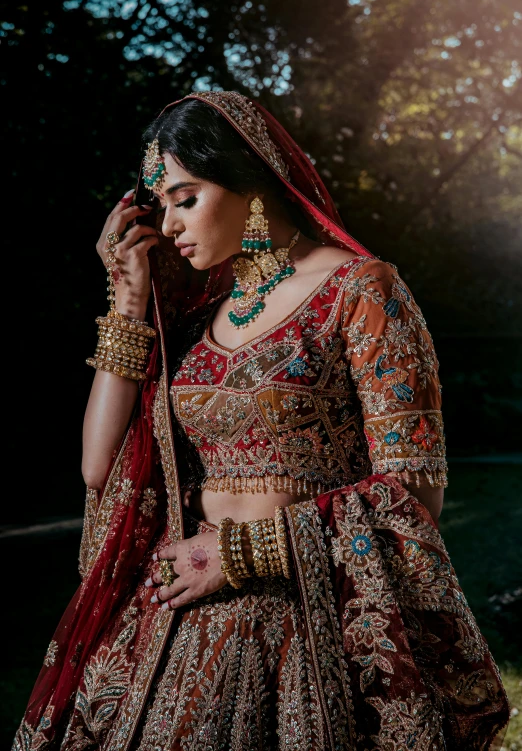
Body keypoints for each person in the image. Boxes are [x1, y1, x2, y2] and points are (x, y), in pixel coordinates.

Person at [13, 91, 509, 751]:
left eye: (186, 198)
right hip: (187, 622)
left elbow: (413, 492)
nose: (170, 225)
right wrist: (130, 297)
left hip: (313, 622)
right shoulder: (190, 320)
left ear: (251, 184)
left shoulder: (364, 291)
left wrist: (241, 552)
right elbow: (98, 466)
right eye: (159, 205)